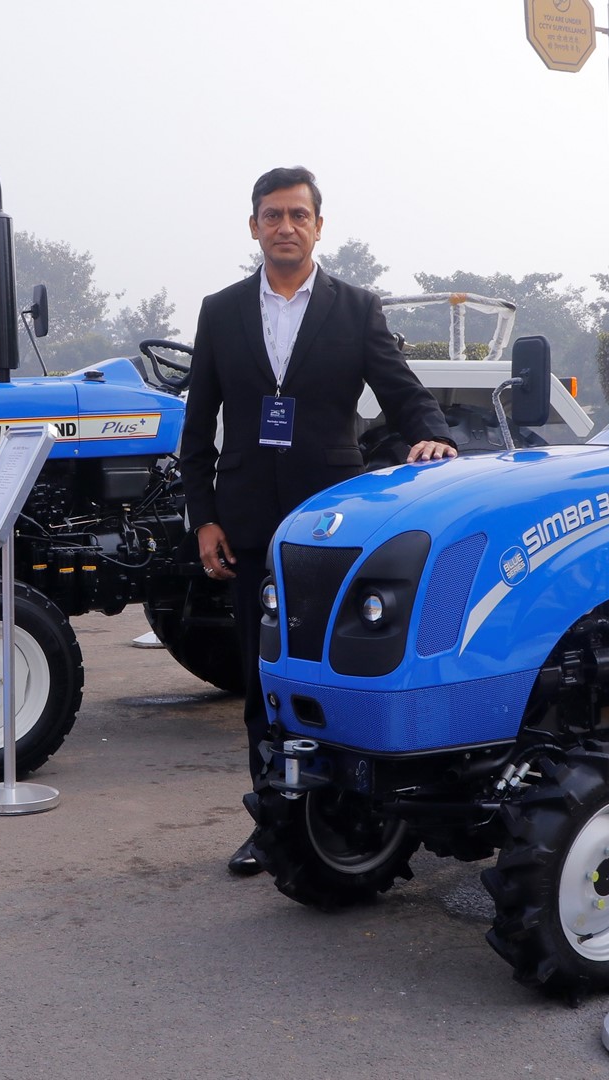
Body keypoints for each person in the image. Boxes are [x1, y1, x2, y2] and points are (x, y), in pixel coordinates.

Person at [178, 166, 457, 875]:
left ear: (318, 226)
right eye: (272, 215)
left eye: (298, 215)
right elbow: (197, 428)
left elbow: (403, 393)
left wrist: (433, 436)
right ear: (254, 227)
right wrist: (203, 517)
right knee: (261, 675)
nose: (285, 226)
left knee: (338, 670)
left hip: (332, 523)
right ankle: (269, 823)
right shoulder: (221, 310)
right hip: (245, 523)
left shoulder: (356, 308)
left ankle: (353, 816)